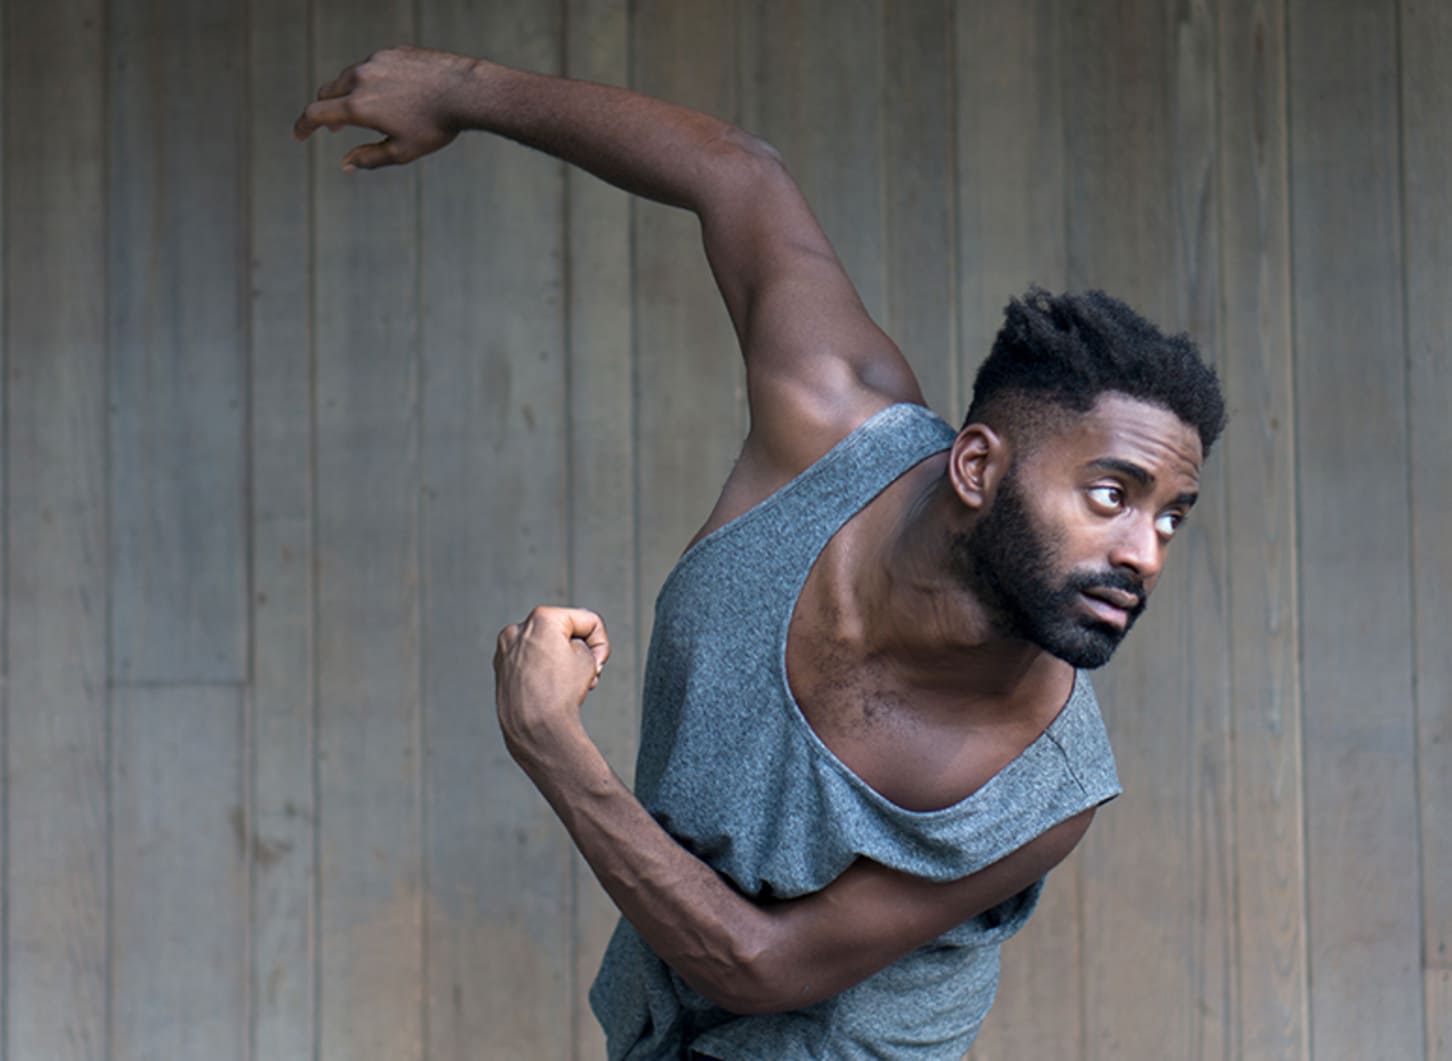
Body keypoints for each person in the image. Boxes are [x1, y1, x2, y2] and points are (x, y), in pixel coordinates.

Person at [296, 46, 1226, 1060]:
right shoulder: (828, 421)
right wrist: (463, 90)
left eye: (1171, 517)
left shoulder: (1046, 783)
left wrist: (550, 741)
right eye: (1112, 495)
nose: (1145, 552)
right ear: (975, 466)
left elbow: (759, 964)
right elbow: (735, 172)